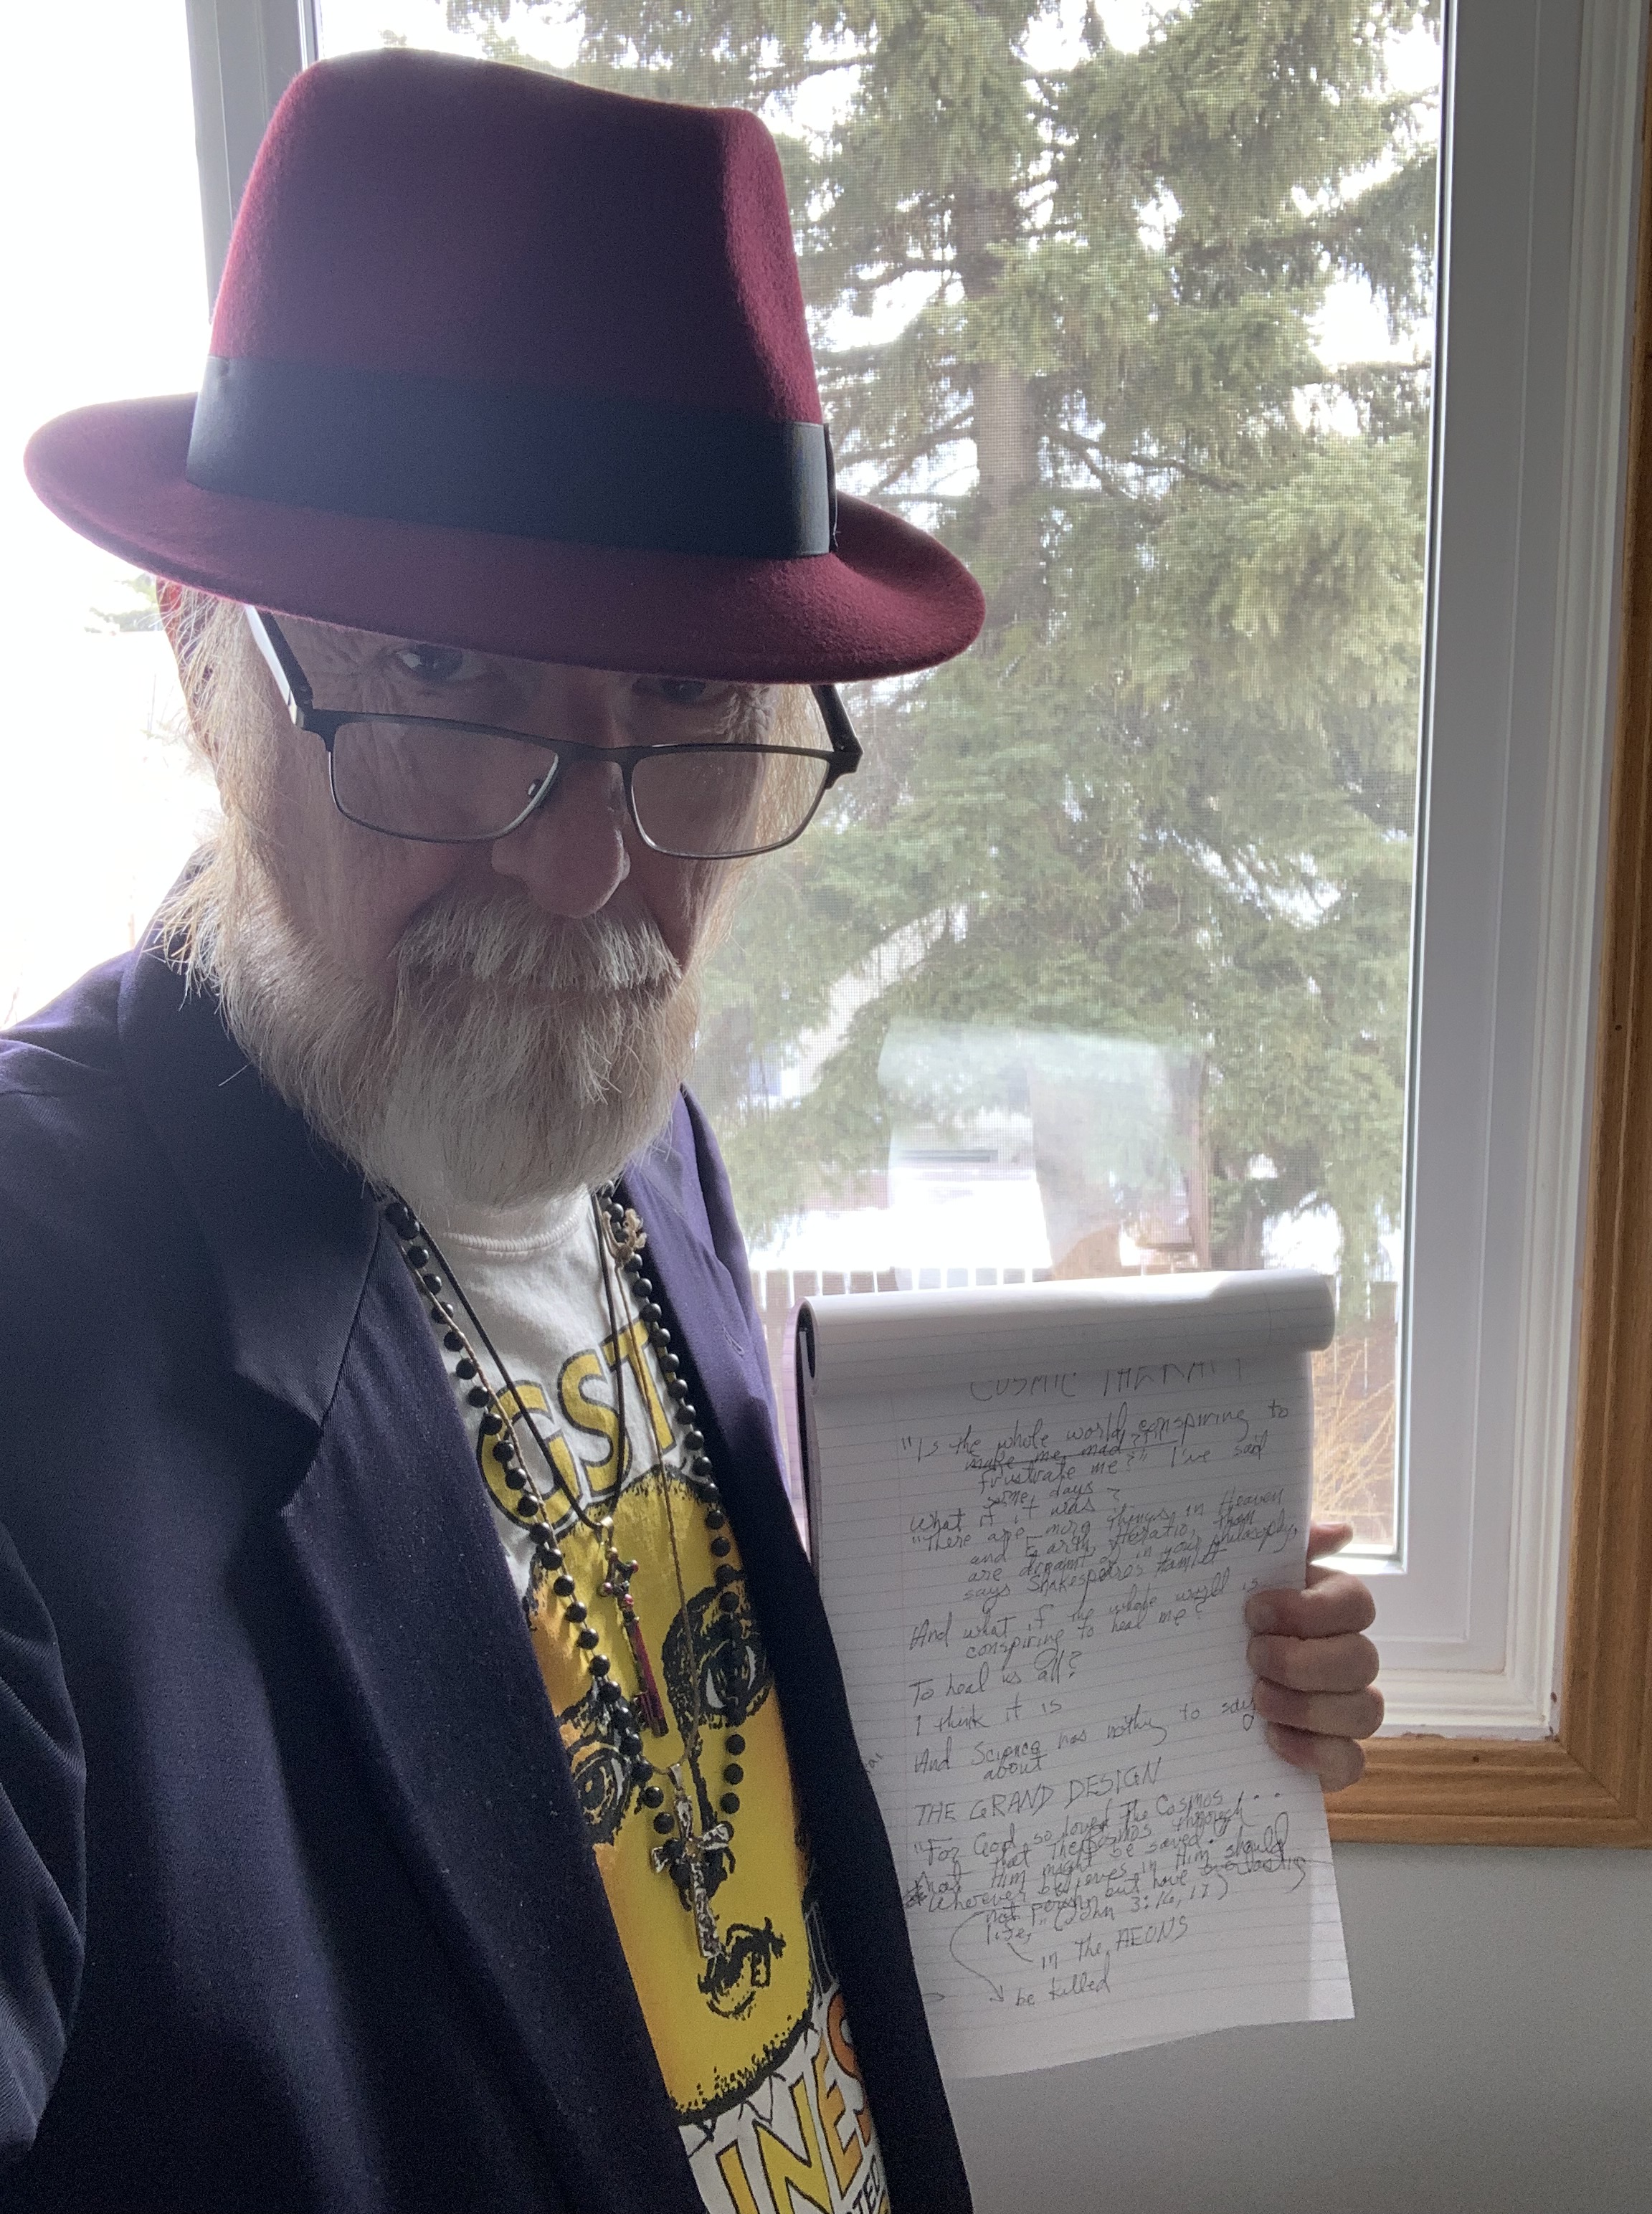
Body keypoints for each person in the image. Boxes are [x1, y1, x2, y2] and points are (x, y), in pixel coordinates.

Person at [3, 47, 1383, 2214]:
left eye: (682, 706)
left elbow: (670, 1749)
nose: (586, 876)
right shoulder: (32, 1317)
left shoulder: (635, 1145)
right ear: (207, 663)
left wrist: (1158, 1678)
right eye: (444, 680)